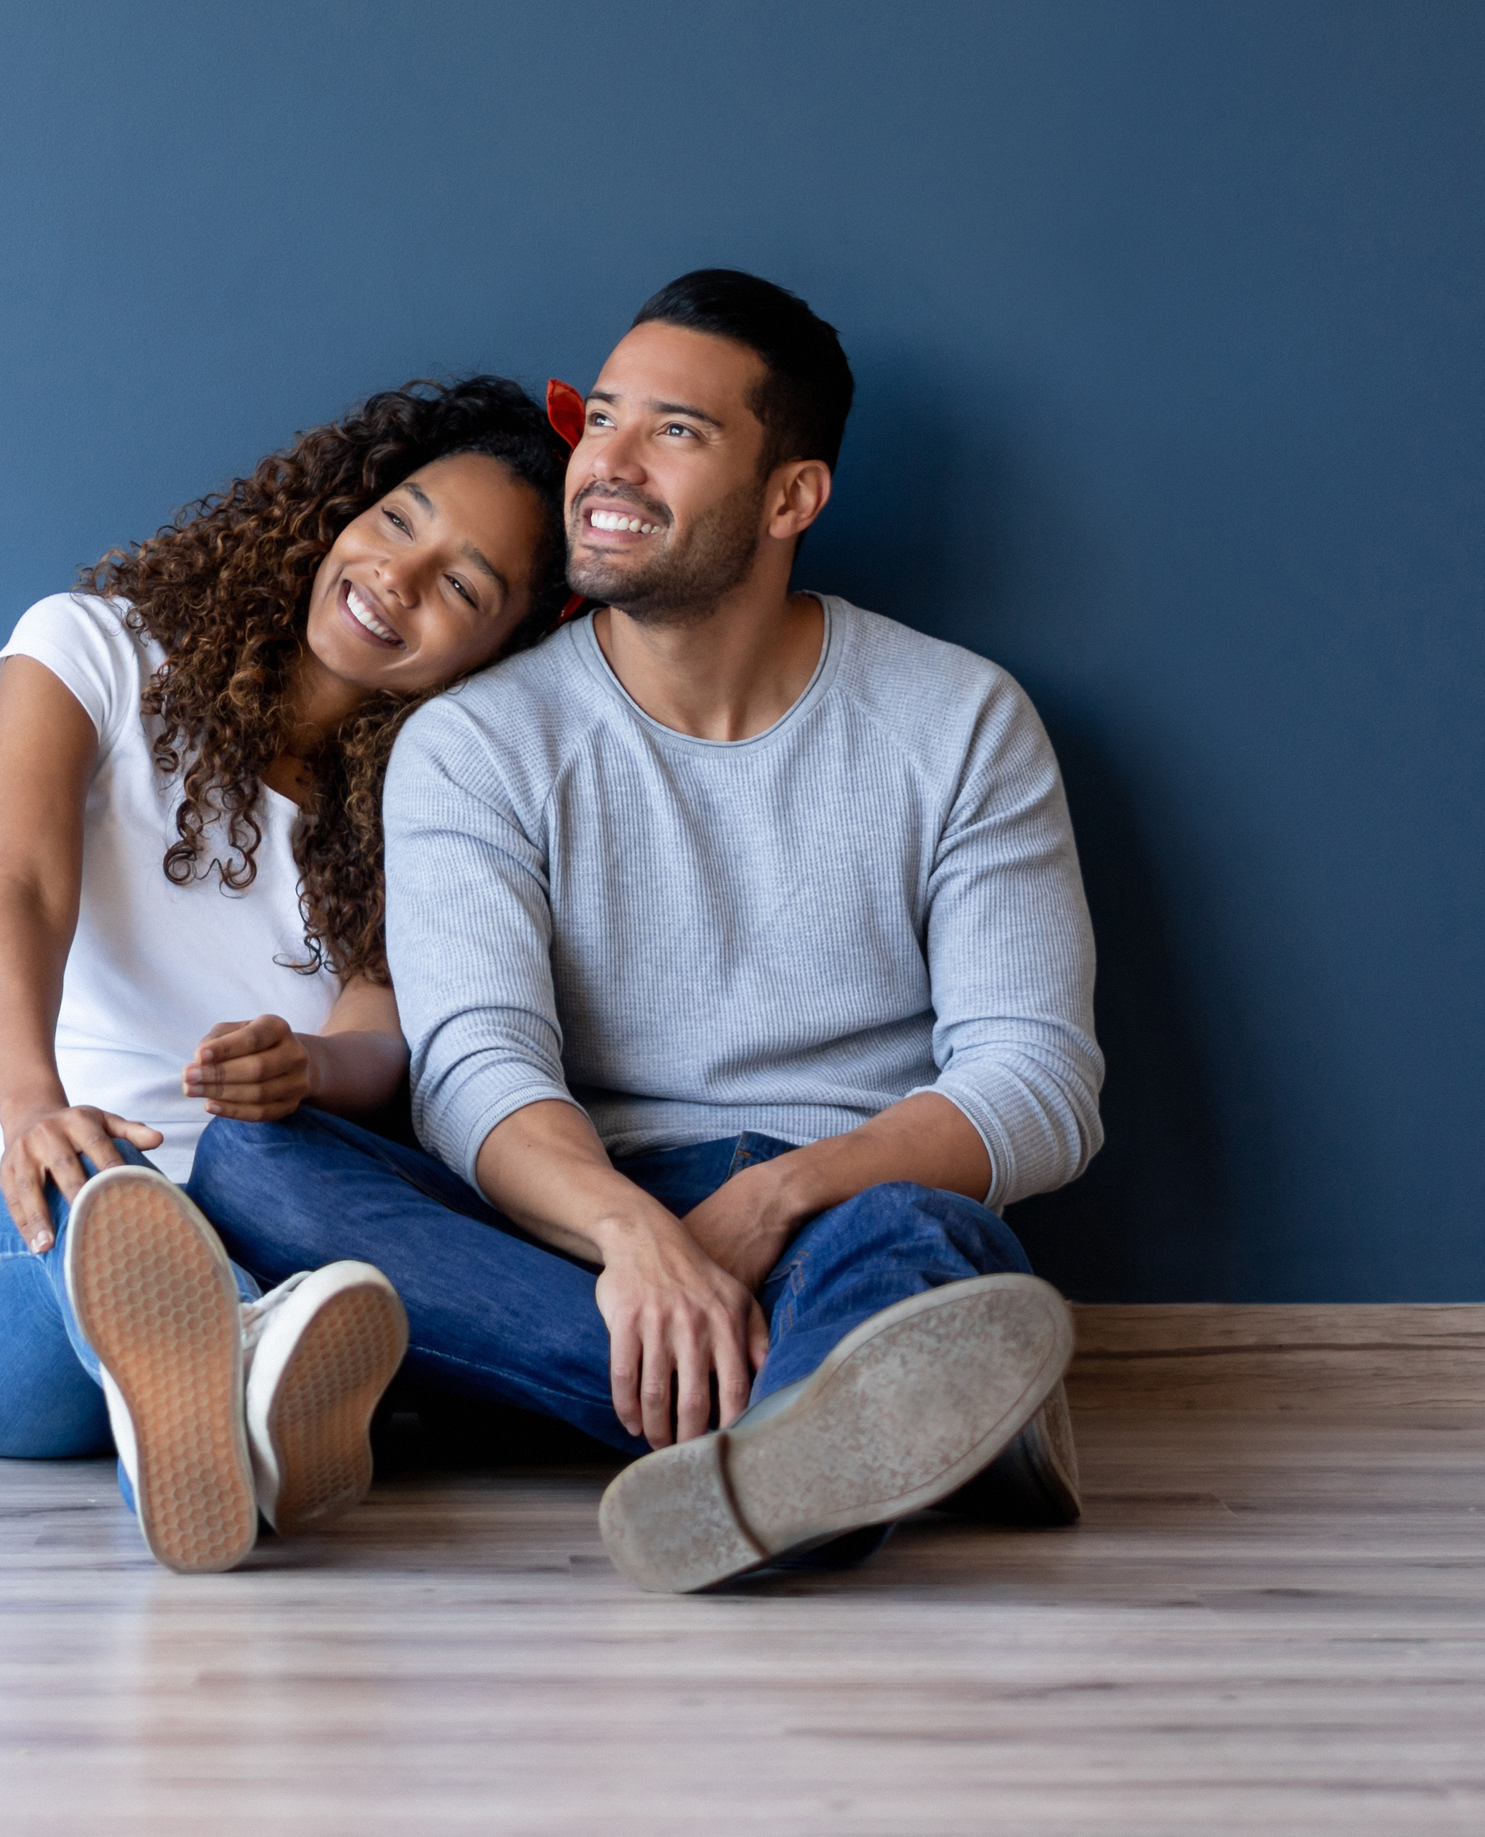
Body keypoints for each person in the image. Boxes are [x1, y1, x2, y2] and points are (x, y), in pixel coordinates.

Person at [192, 271, 1105, 1593]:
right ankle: (829, 1427)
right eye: (601, 416)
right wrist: (636, 1239)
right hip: (565, 1218)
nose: (603, 464)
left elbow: (1035, 1081)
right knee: (252, 1164)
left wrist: (774, 1196)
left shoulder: (959, 719)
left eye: (672, 430)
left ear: (790, 496)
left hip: (838, 1199)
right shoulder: (475, 741)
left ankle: (795, 1408)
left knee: (915, 1237)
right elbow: (475, 1065)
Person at [0, 376, 572, 1572]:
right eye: (400, 519)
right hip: (15, 1242)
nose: (397, 578)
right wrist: (32, 1107)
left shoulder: (440, 799)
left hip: (269, 1235)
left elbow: (380, 1036)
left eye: (462, 584)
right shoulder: (88, 646)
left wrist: (307, 1066)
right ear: (346, 504)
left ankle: (227, 1388)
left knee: (268, 1244)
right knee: (103, 1217)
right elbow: (21, 888)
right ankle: (226, 1373)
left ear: (502, 649)